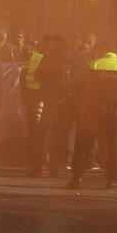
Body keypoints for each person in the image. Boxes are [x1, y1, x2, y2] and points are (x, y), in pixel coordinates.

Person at [68, 45, 117, 190]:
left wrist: (79, 110)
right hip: (114, 114)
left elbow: (78, 88)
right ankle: (112, 180)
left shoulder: (93, 65)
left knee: (84, 145)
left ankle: (77, 178)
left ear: (102, 54)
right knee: (116, 145)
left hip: (92, 113)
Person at [35, 34, 75, 177]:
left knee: (44, 133)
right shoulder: (72, 57)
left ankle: (39, 167)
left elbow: (37, 75)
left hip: (49, 101)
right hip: (65, 102)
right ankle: (54, 169)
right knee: (59, 136)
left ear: (56, 43)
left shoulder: (49, 57)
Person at [21, 41, 47, 175]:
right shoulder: (48, 59)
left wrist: (24, 97)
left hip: (31, 98)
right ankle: (38, 165)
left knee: (33, 133)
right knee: (41, 134)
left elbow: (22, 78)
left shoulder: (31, 57)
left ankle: (34, 164)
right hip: (42, 99)